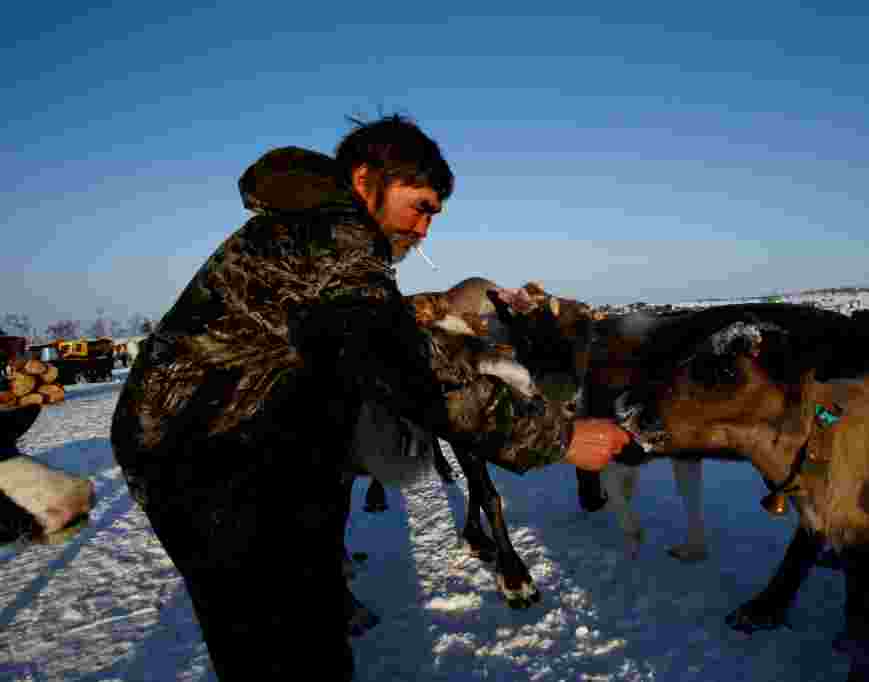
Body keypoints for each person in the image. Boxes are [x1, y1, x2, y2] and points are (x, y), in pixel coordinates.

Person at [110, 115, 629, 680]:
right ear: (365, 180)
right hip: (220, 468)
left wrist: (442, 306)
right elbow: (403, 366)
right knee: (286, 654)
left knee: (301, 627)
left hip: (255, 457)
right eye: (421, 205)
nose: (426, 228)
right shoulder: (329, 235)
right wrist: (559, 436)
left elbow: (349, 324)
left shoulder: (310, 234)